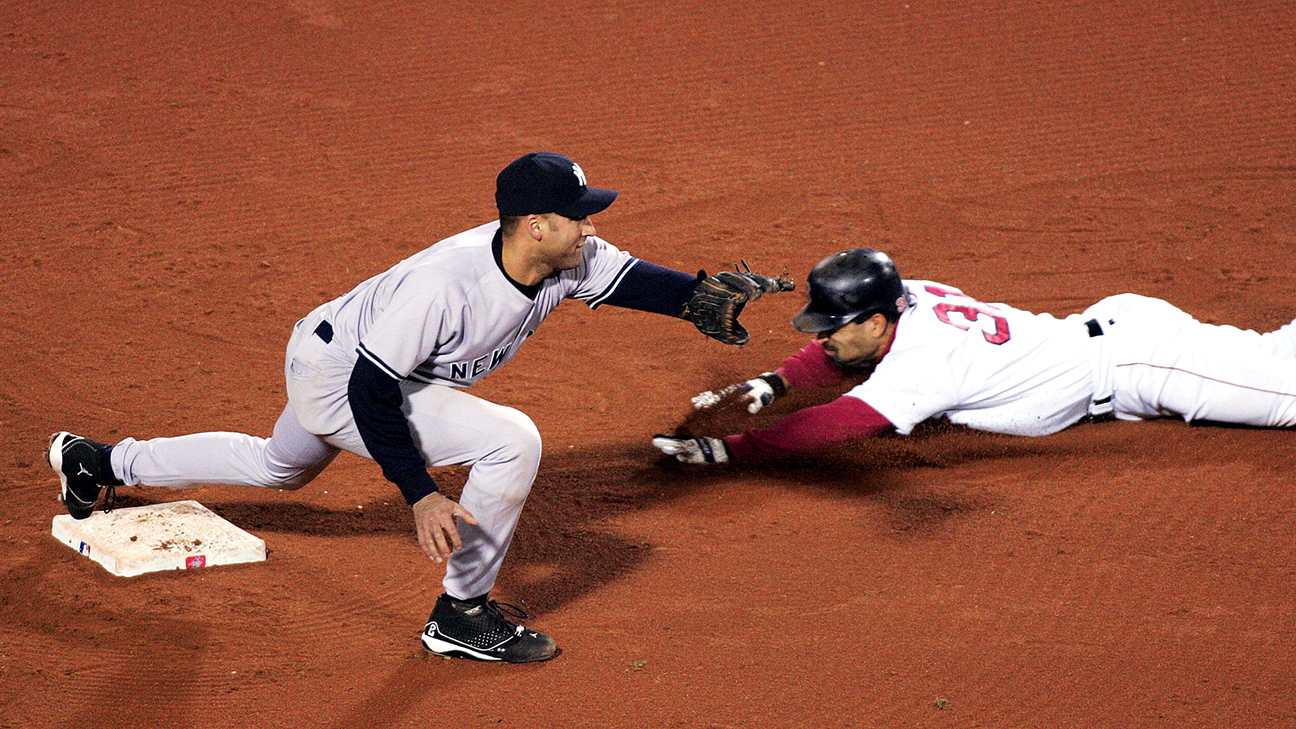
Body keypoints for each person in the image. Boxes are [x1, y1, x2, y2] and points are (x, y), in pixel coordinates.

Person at [47, 151, 791, 663]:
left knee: (279, 467)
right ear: (535, 223)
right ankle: (461, 615)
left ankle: (100, 460)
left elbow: (630, 281)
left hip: (353, 358)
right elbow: (372, 392)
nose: (590, 227)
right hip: (341, 376)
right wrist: (421, 491)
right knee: (512, 441)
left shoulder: (565, 257)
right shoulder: (447, 286)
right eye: (577, 216)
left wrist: (693, 297)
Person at [653, 248, 1296, 466]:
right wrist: (776, 380)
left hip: (1145, 363)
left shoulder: (923, 366)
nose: (821, 339)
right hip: (1118, 336)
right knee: (1276, 355)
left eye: (831, 326)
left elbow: (837, 424)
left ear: (877, 319)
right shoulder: (912, 295)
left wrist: (733, 448)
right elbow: (839, 355)